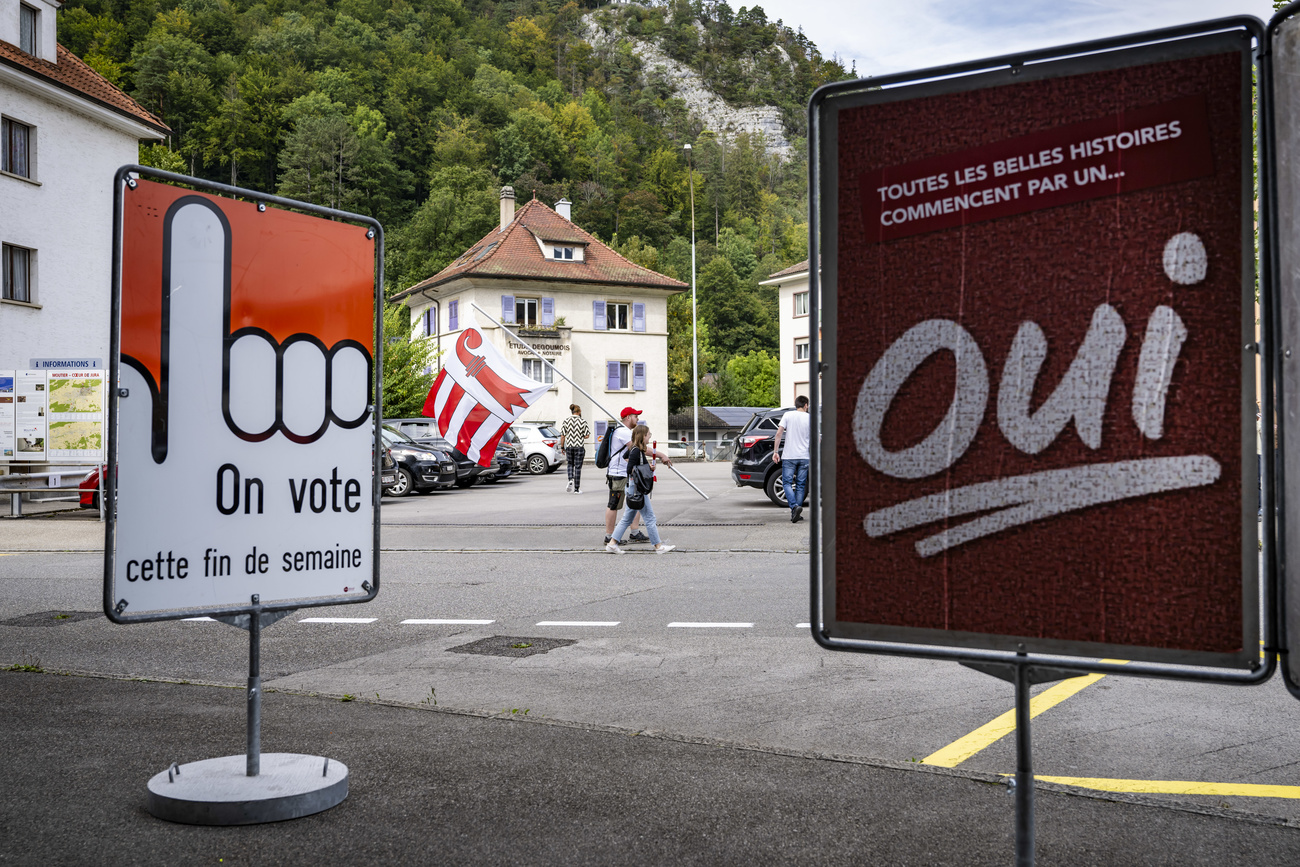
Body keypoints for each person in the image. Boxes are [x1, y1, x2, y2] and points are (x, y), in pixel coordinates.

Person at [606, 424, 675, 554]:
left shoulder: (635, 449)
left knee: (627, 518)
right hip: (637, 488)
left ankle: (612, 543)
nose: (650, 437)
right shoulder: (637, 450)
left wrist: (646, 466)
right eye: (649, 435)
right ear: (643, 436)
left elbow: (626, 457)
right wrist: (646, 468)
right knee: (649, 517)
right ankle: (658, 546)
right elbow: (629, 469)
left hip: (633, 488)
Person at [605, 406, 648, 545]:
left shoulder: (626, 431)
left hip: (626, 473)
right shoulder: (623, 432)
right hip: (618, 474)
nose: (638, 419)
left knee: (635, 501)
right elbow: (638, 448)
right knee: (614, 504)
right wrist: (661, 455)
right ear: (628, 417)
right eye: (636, 416)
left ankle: (634, 533)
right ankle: (609, 536)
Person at [772, 395, 810, 523]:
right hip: (804, 457)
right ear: (805, 405)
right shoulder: (810, 418)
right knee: (800, 484)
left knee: (786, 483)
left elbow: (779, 433)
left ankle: (794, 507)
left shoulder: (787, 415)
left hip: (789, 456)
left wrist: (775, 452)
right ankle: (796, 512)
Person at [559, 404, 589, 494]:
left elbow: (563, 436)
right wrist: (580, 435)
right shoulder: (583, 421)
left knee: (570, 464)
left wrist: (562, 447)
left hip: (569, 446)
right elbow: (587, 435)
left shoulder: (566, 421)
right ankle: (576, 489)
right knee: (578, 467)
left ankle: (570, 479)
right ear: (579, 412)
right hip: (579, 446)